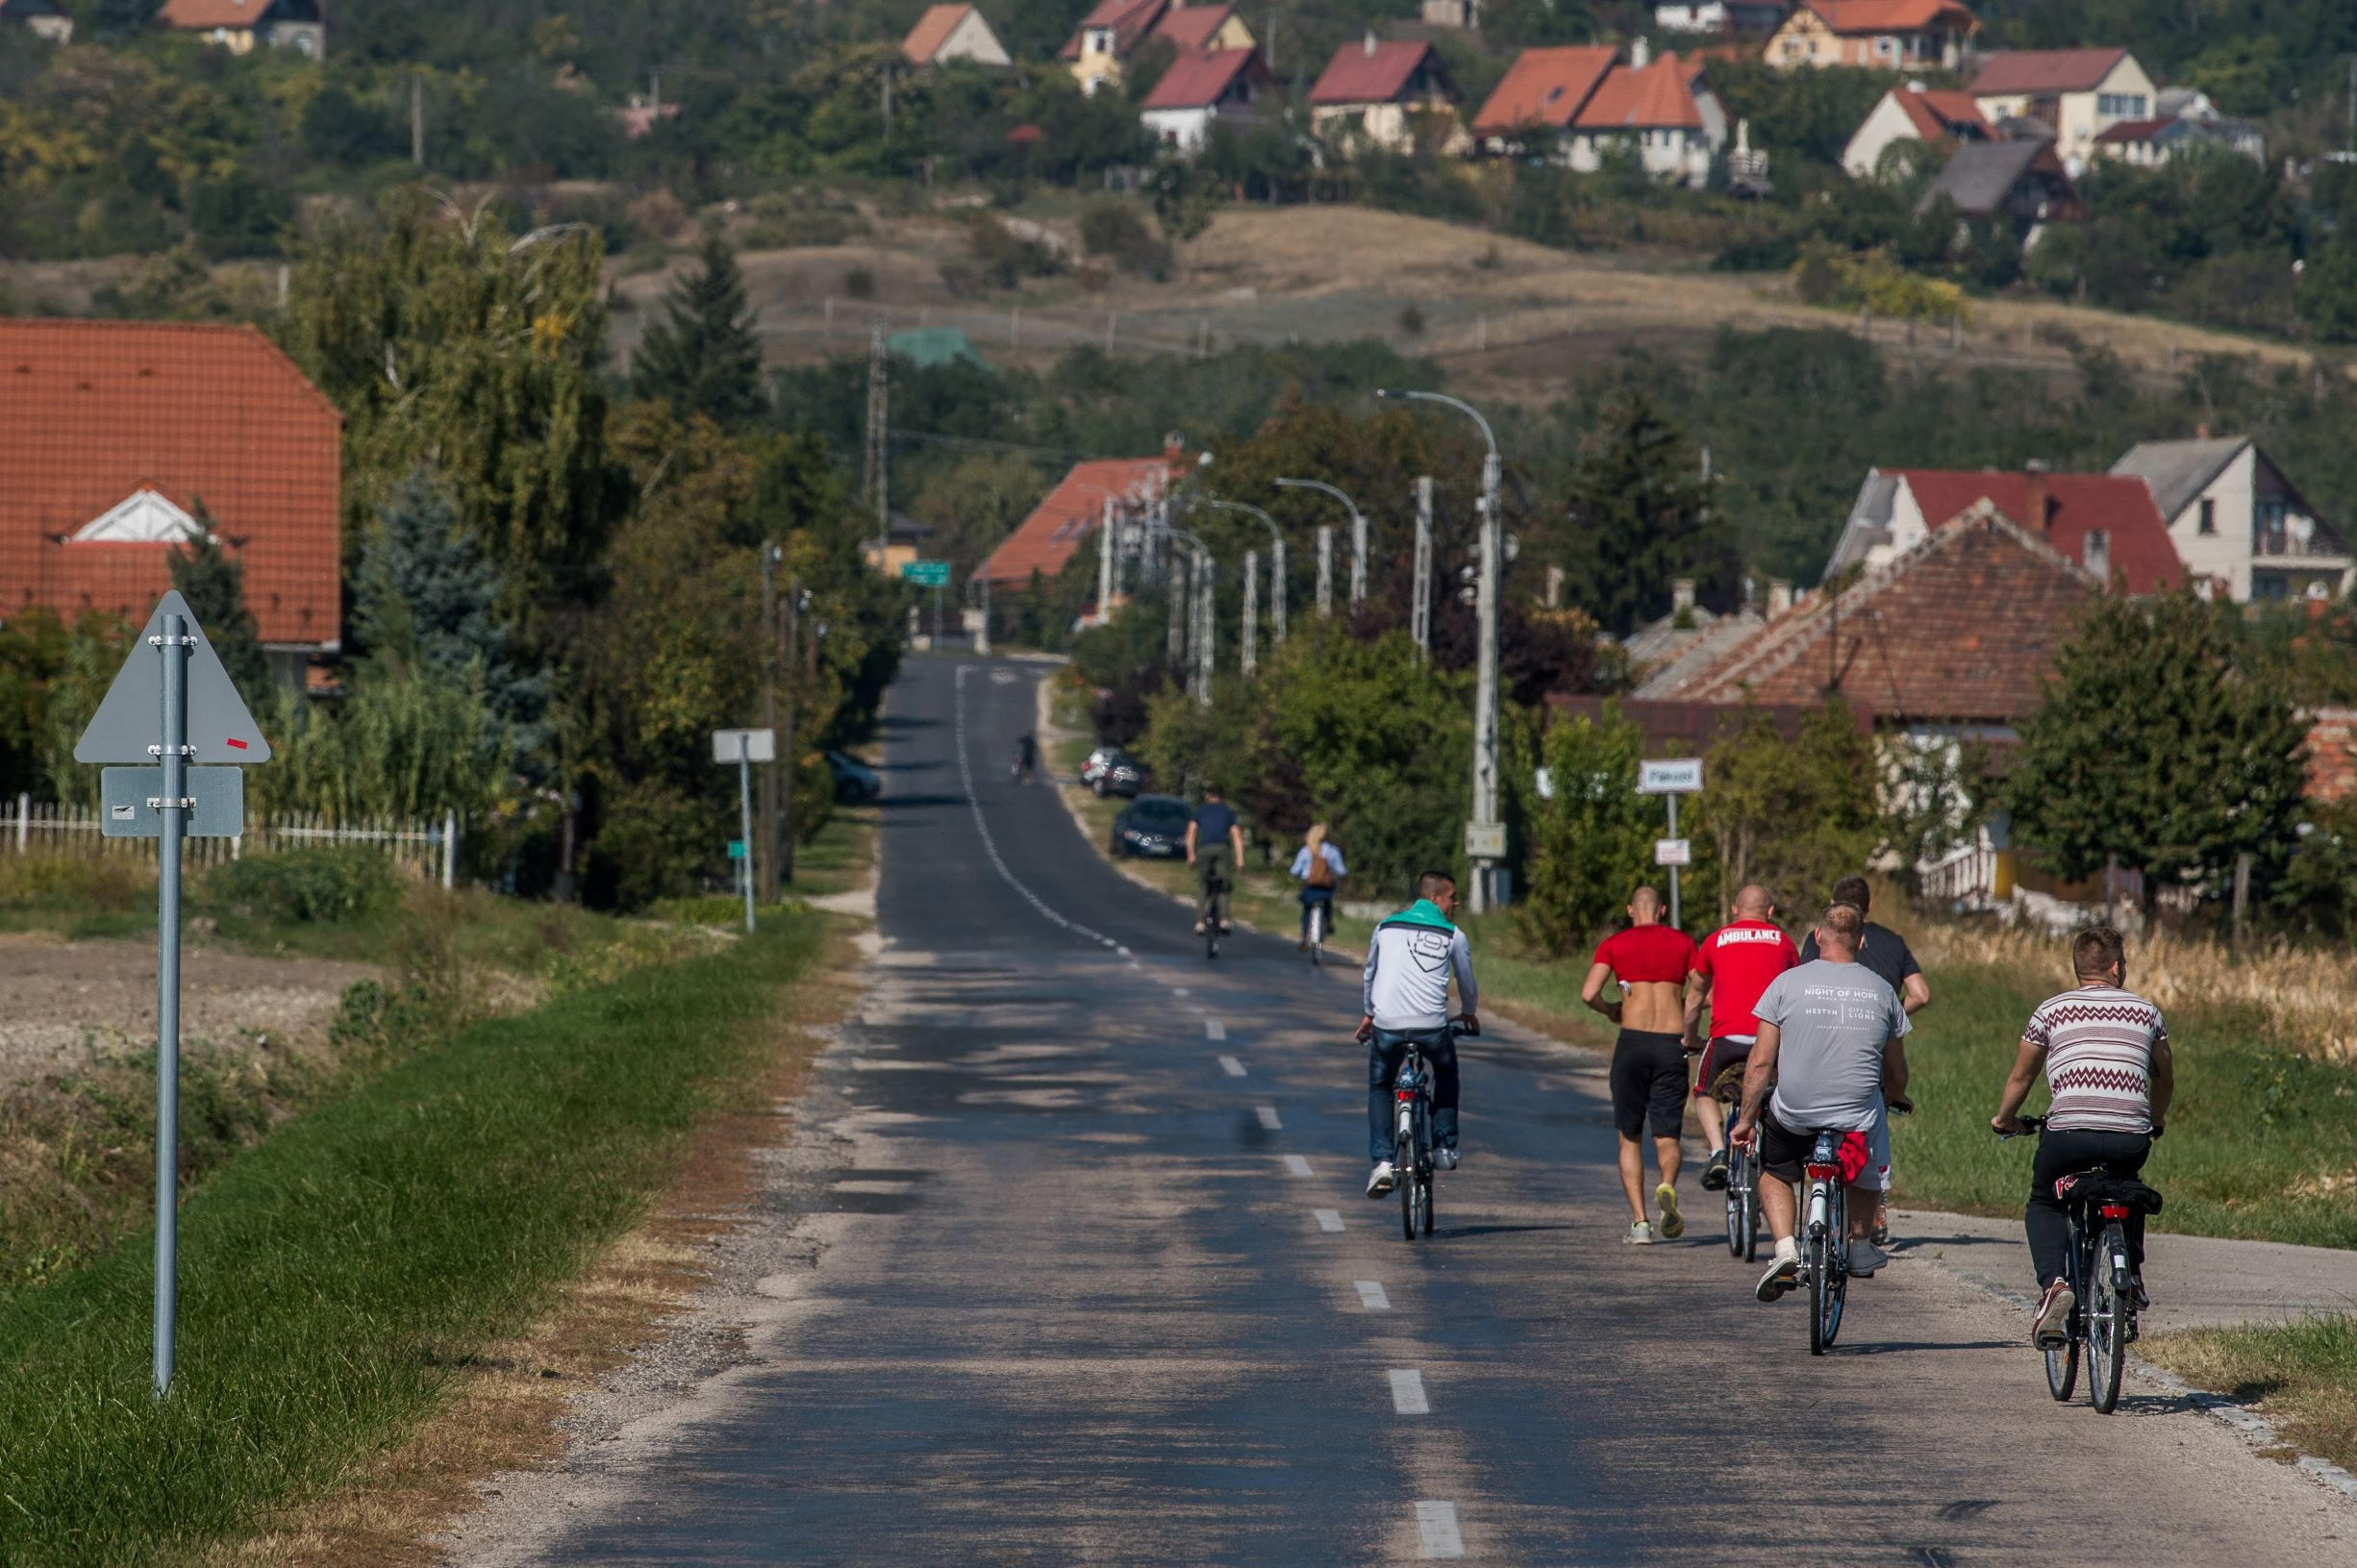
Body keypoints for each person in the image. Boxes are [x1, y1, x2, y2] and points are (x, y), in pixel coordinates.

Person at [1992, 927, 2173, 1347]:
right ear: (2115, 967)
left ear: (2078, 968)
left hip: (2068, 1134)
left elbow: (2022, 1074)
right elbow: (2164, 1078)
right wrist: (2156, 1120)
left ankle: (2055, 1285)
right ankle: (2131, 1272)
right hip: (2131, 1136)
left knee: (2044, 1200)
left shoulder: (2050, 1010)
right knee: (2126, 1188)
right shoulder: (2147, 1011)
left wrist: (2005, 1119)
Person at [1731, 903, 1911, 1302]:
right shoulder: (1882, 990)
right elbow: (1895, 1071)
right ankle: (1860, 1244)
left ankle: (1784, 1248)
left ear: (1817, 937)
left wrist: (1745, 1120)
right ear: (1861, 943)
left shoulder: (1785, 983)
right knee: (1873, 1128)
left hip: (1795, 1110)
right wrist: (1896, 1094)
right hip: (1853, 1115)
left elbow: (1760, 1062)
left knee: (1775, 1169)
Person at [1797, 874, 1929, 1243]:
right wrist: (1888, 1019)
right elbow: (1921, 992)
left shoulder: (1816, 939)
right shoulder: (1892, 941)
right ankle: (1875, 1210)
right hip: (1871, 1055)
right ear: (1869, 907)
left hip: (1820, 1054)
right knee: (1869, 1129)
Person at [1582, 886, 1700, 1244]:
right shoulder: (1683, 943)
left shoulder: (1615, 944)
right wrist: (1683, 1006)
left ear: (1631, 909)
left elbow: (1588, 993)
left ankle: (1640, 1224)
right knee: (1667, 1135)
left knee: (1629, 1136)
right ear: (1662, 910)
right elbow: (1703, 992)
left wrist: (1611, 1010)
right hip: (1670, 1044)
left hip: (1632, 1043)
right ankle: (1666, 1184)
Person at [1357, 871, 1480, 1198]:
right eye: (1453, 896)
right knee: (1446, 1070)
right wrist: (1469, 1011)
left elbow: (1371, 973)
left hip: (1387, 1025)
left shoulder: (1385, 927)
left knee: (1381, 1085)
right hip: (1431, 1028)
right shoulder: (1454, 934)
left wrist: (1370, 1013)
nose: (1457, 903)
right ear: (1436, 898)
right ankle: (1443, 1146)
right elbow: (1467, 983)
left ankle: (1382, 1163)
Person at [1683, 884, 1799, 1192]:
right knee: (1777, 1095)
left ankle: (1717, 1151)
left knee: (1703, 1092)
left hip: (1726, 1038)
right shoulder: (1785, 943)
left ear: (1735, 909)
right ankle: (1776, 1155)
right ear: (1770, 912)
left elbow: (1695, 996)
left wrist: (1690, 1036)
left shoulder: (1715, 940)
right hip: (1771, 1039)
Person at [1185, 784, 1246, 936]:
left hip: (1205, 849)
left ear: (1208, 796)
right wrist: (1240, 859)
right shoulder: (1227, 812)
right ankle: (1224, 919)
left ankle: (1200, 922)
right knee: (1223, 884)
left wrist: (1191, 855)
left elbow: (1191, 833)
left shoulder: (1200, 811)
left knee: (1203, 885)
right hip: (1222, 849)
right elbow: (1237, 836)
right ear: (1221, 797)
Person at [1290, 824, 1346, 950]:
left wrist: (1295, 875)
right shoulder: (1332, 851)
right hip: (1326, 887)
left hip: (1310, 886)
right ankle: (1328, 923)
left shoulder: (1305, 850)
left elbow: (1295, 870)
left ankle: (1305, 936)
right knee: (1327, 903)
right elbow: (1342, 870)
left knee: (1307, 910)